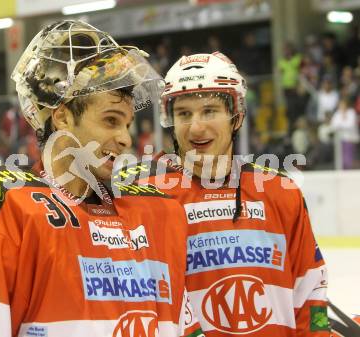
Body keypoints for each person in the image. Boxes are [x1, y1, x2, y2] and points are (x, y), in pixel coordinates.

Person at [0, 20, 203, 337]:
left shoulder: (156, 214)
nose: (125, 139)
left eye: (128, 124)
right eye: (111, 120)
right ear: (63, 116)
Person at [135, 52, 330, 336]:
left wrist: (319, 333)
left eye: (210, 111)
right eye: (184, 113)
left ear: (236, 118)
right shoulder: (150, 197)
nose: (196, 127)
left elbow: (314, 289)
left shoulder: (279, 191)